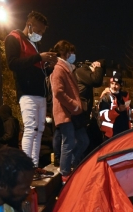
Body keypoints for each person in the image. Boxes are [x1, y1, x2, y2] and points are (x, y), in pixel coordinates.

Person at [5, 11, 57, 178]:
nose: (40, 35)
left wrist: (48, 66)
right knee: (30, 129)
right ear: (30, 26)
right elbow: (13, 63)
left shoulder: (34, 45)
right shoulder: (13, 38)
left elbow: (38, 70)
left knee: (39, 129)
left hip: (39, 92)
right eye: (39, 31)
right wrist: (38, 57)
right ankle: (26, 168)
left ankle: (33, 166)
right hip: (26, 92)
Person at [50, 40, 89, 182]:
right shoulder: (59, 69)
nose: (73, 55)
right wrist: (74, 105)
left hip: (73, 113)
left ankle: (70, 164)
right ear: (65, 53)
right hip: (66, 112)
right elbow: (58, 92)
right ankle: (65, 174)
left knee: (83, 140)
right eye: (71, 52)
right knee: (68, 143)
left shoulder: (67, 68)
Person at [74, 59, 105, 153]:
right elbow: (97, 81)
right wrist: (98, 68)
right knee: (81, 141)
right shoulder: (83, 71)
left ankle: (73, 162)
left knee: (83, 141)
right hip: (78, 112)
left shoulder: (83, 72)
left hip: (81, 113)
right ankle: (71, 162)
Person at [99, 72, 131, 138]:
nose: (114, 86)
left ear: (120, 85)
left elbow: (129, 111)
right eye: (112, 84)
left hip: (125, 131)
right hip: (111, 133)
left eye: (116, 84)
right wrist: (117, 110)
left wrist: (132, 116)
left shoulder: (125, 96)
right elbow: (103, 116)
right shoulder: (106, 97)